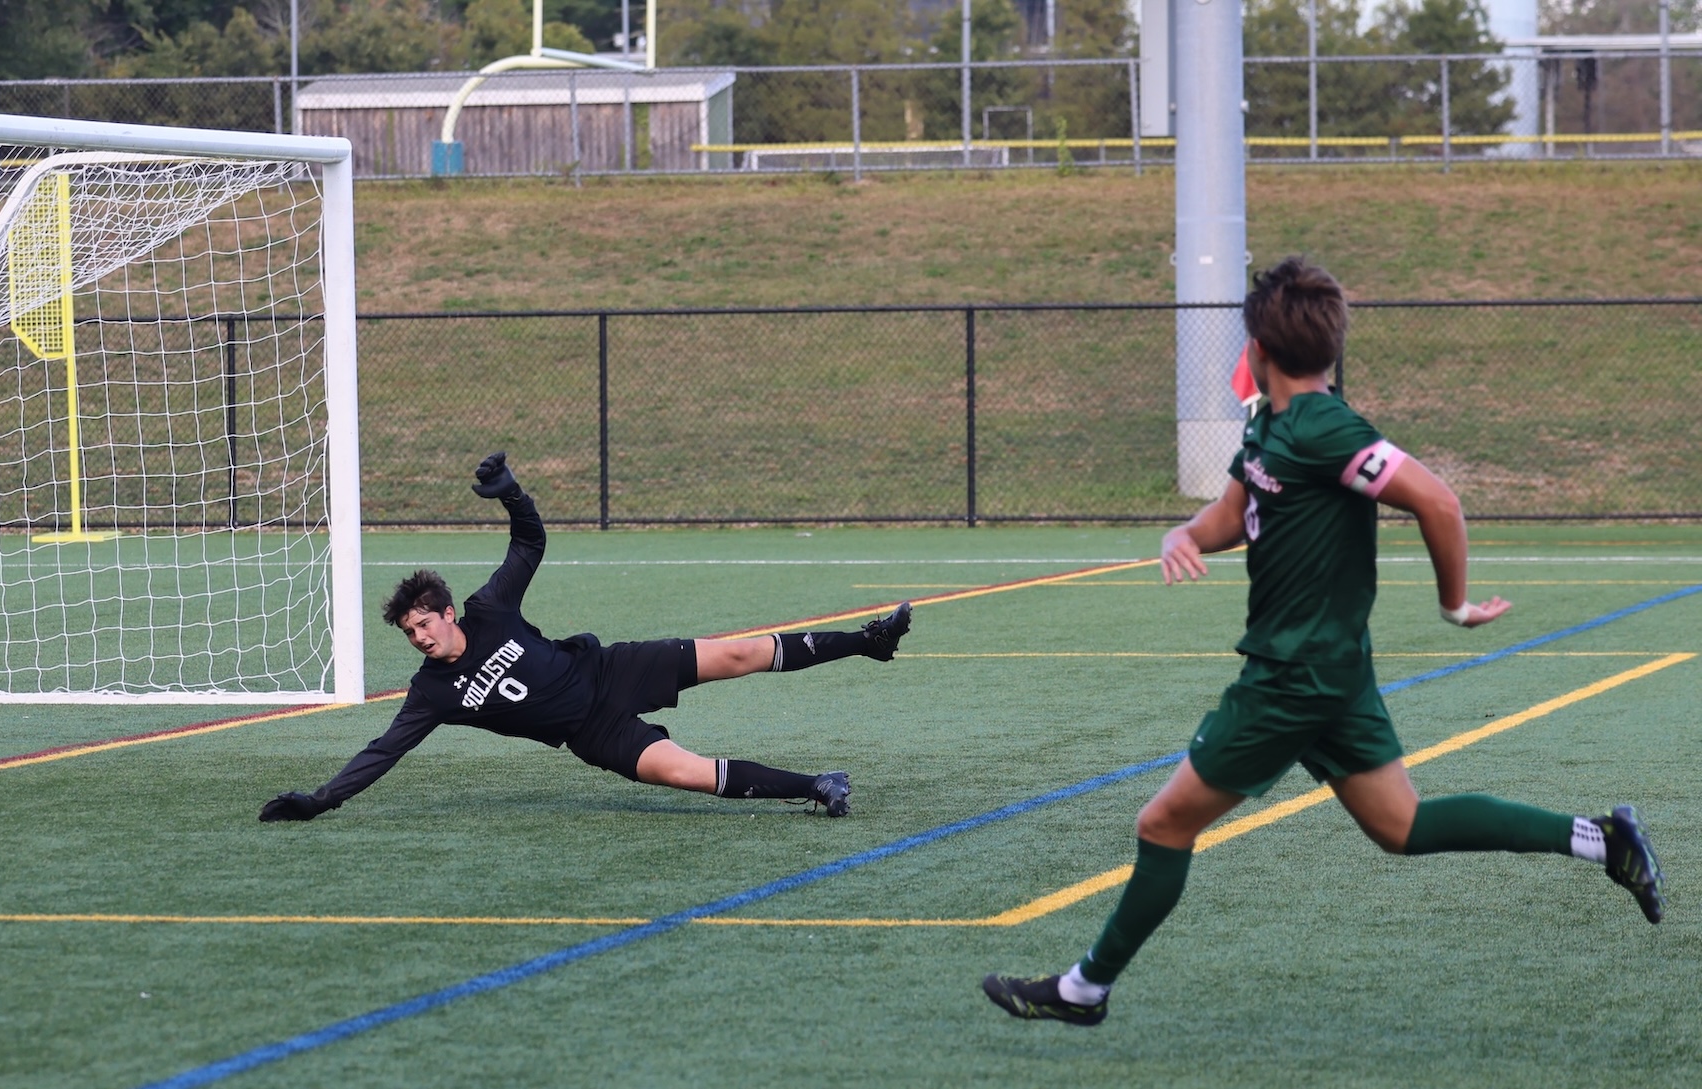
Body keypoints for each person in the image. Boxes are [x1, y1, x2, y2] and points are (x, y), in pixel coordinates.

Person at [981, 257, 1665, 1025]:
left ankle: (1085, 988)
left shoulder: (1328, 426)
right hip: (1328, 673)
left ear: (1257, 350)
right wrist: (1184, 532)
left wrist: (1454, 608)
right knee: (1400, 825)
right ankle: (1604, 842)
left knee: (1162, 823)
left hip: (1290, 679)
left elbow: (1438, 501)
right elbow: (1230, 512)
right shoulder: (1270, 425)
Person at [260, 451, 911, 823]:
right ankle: (819, 784)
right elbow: (383, 750)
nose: (420, 636)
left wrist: (511, 494)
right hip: (591, 734)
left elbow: (529, 542)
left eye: (424, 621)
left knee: (742, 653)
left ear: (450, 612)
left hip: (610, 670)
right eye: (410, 632)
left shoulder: (490, 609)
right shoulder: (433, 693)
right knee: (686, 772)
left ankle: (868, 641)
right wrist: (321, 799)